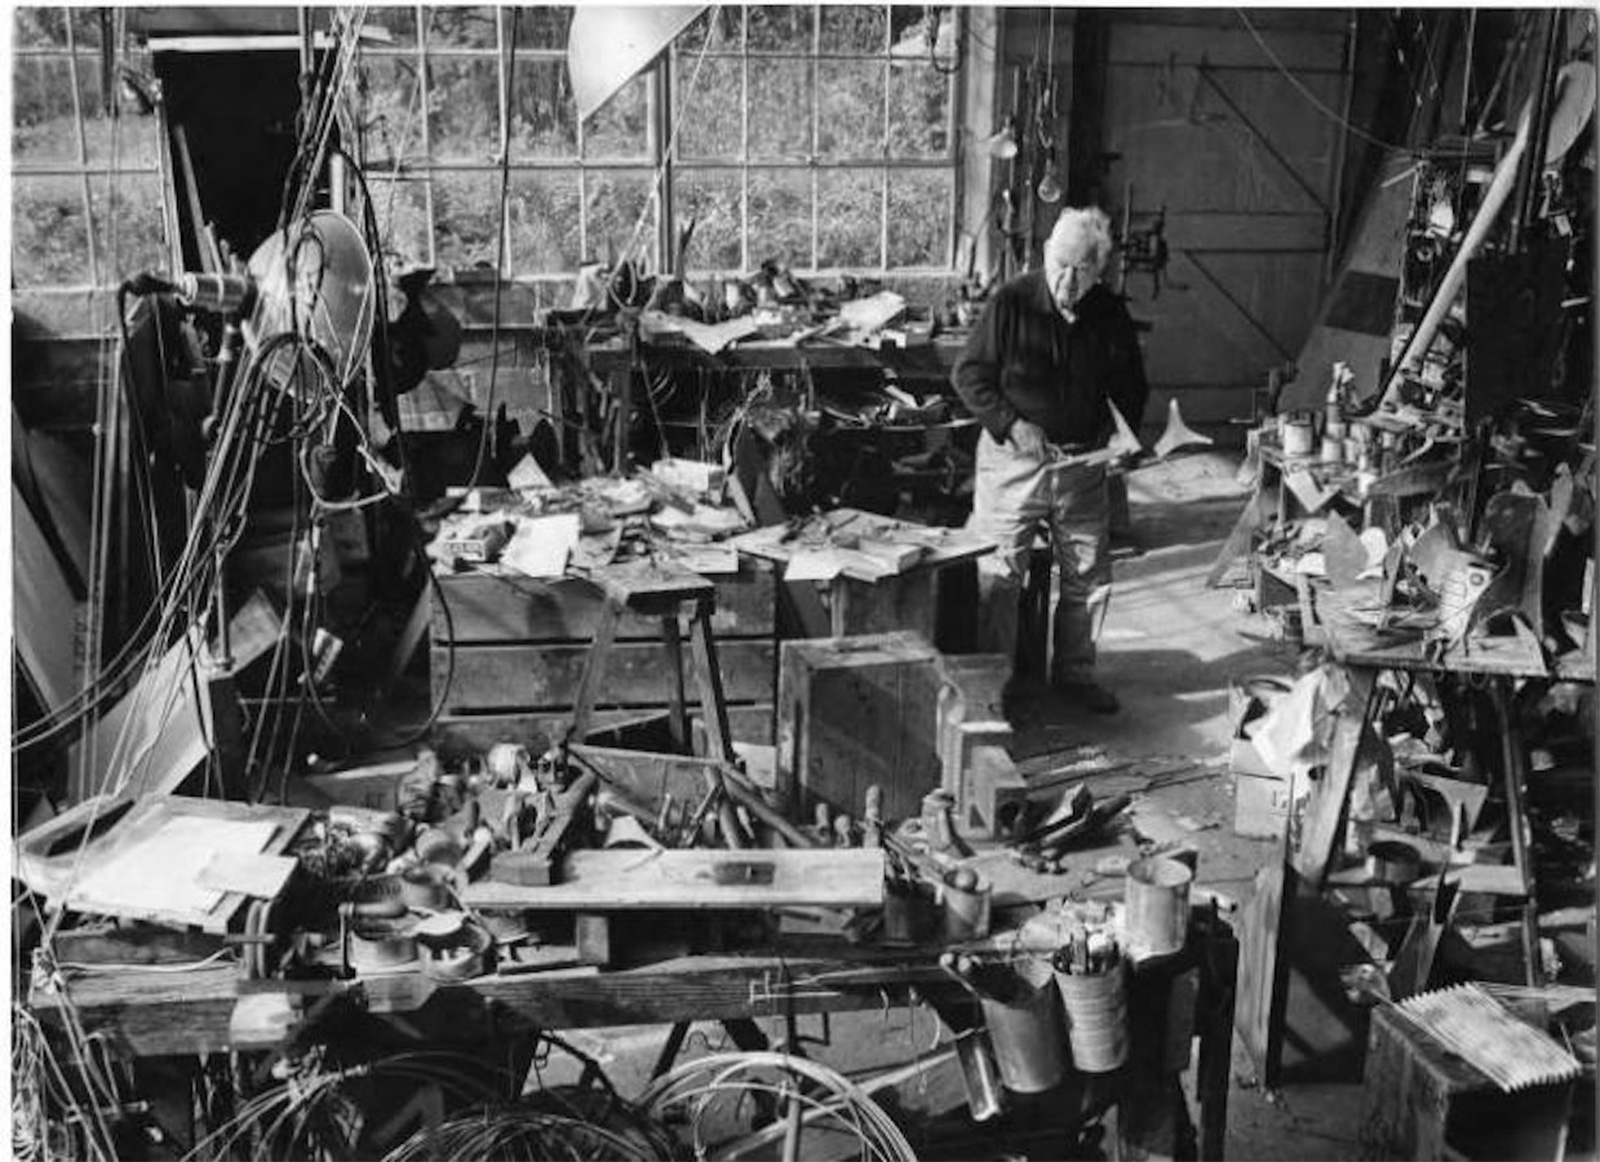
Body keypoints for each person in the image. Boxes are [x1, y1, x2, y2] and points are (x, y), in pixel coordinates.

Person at [951, 206, 1149, 713]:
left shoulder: (1109, 313)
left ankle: (1075, 676)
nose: (1066, 278)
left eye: (1080, 269)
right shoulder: (1012, 302)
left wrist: (1121, 437)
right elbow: (969, 376)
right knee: (1000, 575)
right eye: (1059, 263)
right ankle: (994, 689)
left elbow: (1131, 388)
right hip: (1012, 462)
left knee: (1088, 576)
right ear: (1045, 256)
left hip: (1082, 462)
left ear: (1098, 270)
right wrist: (1012, 424)